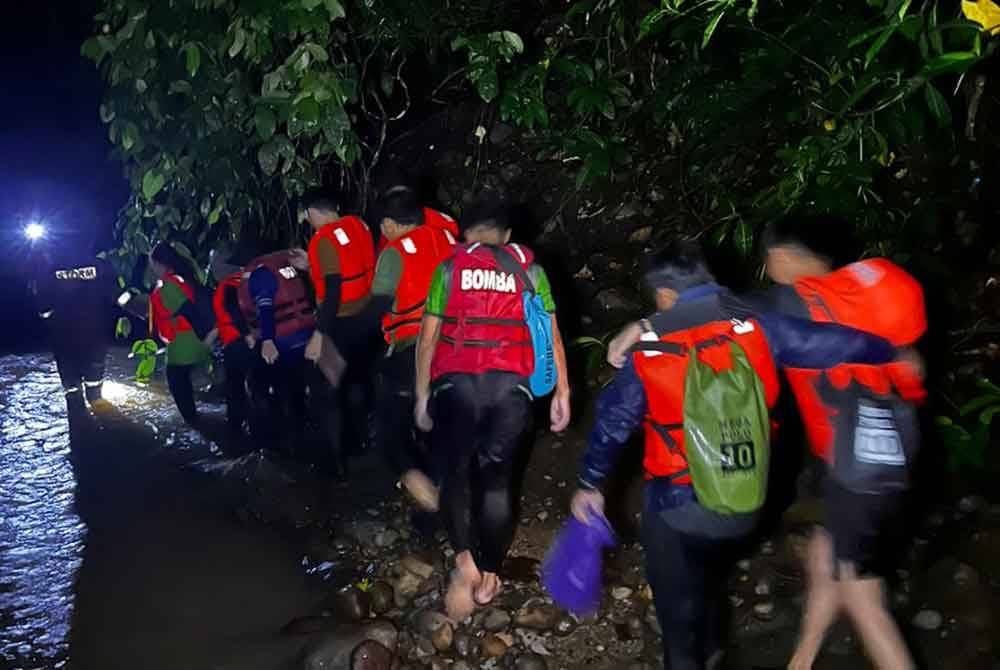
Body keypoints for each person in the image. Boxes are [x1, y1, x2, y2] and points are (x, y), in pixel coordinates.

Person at [568, 240, 912, 670]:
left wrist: (589, 484)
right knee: (708, 572)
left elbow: (611, 424)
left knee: (678, 621)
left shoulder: (652, 348)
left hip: (679, 510)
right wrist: (891, 350)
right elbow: (839, 344)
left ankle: (698, 653)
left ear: (663, 296)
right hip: (748, 501)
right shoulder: (762, 327)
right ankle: (714, 649)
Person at [758, 219, 923, 670]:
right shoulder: (870, 287)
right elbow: (914, 365)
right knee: (824, 553)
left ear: (783, 259)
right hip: (888, 448)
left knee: (860, 591)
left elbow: (727, 315)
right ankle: (803, 660)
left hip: (855, 465)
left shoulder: (792, 303)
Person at [414, 203, 572, 620]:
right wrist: (564, 392)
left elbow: (427, 339)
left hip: (457, 387)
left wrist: (420, 394)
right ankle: (490, 571)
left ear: (465, 235)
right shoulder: (530, 270)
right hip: (511, 390)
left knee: (455, 472)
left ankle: (464, 558)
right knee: (498, 481)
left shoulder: (448, 269)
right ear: (506, 235)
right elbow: (552, 335)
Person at [356, 189, 456, 508]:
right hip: (460, 348)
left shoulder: (394, 253)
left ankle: (435, 506)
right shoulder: (450, 241)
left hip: (412, 351)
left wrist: (345, 339)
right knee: (440, 428)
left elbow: (379, 306)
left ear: (388, 224)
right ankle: (452, 496)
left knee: (390, 437)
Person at [237, 248, 344, 472]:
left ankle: (292, 449)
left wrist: (267, 341)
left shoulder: (259, 274)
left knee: (281, 393)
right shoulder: (286, 267)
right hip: (306, 336)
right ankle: (329, 452)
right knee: (308, 392)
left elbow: (265, 309)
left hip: (282, 343)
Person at [302, 190, 379, 457]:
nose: (308, 221)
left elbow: (333, 290)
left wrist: (319, 334)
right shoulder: (359, 225)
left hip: (339, 323)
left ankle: (337, 460)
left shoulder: (323, 241)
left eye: (308, 216)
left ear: (314, 212)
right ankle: (362, 441)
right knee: (358, 380)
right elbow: (351, 267)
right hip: (368, 317)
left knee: (327, 388)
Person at [28, 226, 117, 416]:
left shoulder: (49, 269)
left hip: (63, 334)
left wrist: (49, 318)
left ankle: (79, 424)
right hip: (94, 332)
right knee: (95, 386)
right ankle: (103, 417)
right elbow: (114, 294)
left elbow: (42, 302)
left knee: (71, 390)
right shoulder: (99, 266)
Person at [148, 242, 214, 424]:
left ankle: (195, 424)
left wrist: (206, 336)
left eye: (152, 263)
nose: (151, 268)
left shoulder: (168, 286)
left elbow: (188, 310)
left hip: (184, 343)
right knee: (183, 381)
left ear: (158, 263)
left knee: (177, 383)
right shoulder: (183, 278)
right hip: (193, 340)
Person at [210, 248, 256, 438]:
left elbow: (233, 310)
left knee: (235, 387)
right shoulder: (251, 281)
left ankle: (236, 429)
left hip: (238, 342)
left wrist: (245, 335)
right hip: (257, 339)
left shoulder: (229, 285)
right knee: (254, 385)